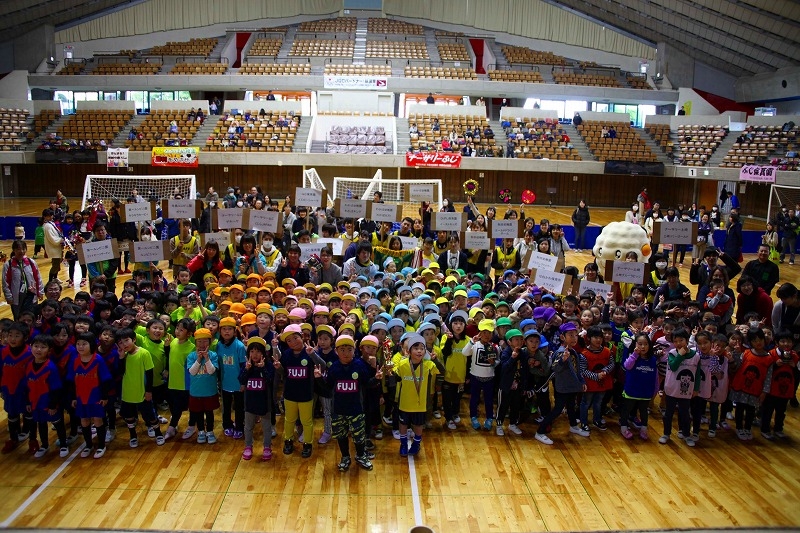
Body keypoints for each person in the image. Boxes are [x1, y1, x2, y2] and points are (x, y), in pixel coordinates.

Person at [315, 335, 379, 471]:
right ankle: (345, 457)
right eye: (342, 350)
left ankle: (361, 456)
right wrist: (319, 378)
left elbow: (367, 384)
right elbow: (328, 387)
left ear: (354, 350)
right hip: (338, 410)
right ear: (336, 351)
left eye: (349, 349)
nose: (346, 353)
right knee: (341, 435)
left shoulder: (359, 366)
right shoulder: (334, 368)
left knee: (359, 436)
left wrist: (377, 378)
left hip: (356, 409)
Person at [533, 322, 589, 445]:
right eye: (570, 335)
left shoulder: (573, 351)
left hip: (572, 387)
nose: (574, 338)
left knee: (571, 407)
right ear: (563, 337)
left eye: (575, 335)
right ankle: (540, 431)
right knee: (557, 410)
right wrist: (562, 360)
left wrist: (582, 381)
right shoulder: (560, 352)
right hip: (563, 387)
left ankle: (573, 426)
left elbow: (577, 370)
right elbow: (555, 368)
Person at [393, 333, 443, 456]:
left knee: (419, 425)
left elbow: (442, 371)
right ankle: (403, 444)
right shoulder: (402, 364)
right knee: (403, 424)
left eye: (422, 348)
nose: (419, 351)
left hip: (420, 404)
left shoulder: (428, 365)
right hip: (405, 402)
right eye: (416, 348)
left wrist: (435, 360)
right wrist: (389, 371)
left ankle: (416, 444)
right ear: (408, 351)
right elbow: (396, 378)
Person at [272, 324, 316, 458]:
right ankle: (288, 441)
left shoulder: (309, 352)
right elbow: (283, 372)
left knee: (306, 421)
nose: (293, 342)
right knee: (289, 420)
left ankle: (308, 444)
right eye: (289, 340)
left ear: (302, 336)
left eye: (295, 338)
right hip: (289, 394)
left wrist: (313, 355)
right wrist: (279, 367)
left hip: (306, 394)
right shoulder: (286, 354)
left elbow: (323, 366)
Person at [115, 327, 164, 449]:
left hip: (142, 392)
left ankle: (158, 433)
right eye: (120, 342)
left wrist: (149, 391)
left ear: (134, 339)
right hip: (128, 392)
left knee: (150, 416)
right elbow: (120, 373)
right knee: (129, 416)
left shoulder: (144, 353)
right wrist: (121, 358)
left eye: (126, 340)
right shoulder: (123, 355)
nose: (124, 344)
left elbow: (149, 374)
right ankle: (133, 435)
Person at [658, 328, 699, 447]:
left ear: (687, 340)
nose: (678, 343)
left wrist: (696, 389)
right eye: (675, 341)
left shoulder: (696, 356)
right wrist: (680, 355)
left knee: (685, 414)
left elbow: (697, 374)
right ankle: (666, 434)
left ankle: (686, 434)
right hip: (671, 389)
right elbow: (673, 366)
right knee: (668, 413)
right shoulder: (672, 353)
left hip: (686, 391)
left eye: (681, 340)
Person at [239, 336, 275, 461]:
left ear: (263, 353)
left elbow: (270, 380)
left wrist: (263, 368)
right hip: (249, 402)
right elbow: (241, 380)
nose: (255, 354)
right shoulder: (246, 365)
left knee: (267, 427)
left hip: (265, 402)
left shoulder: (268, 365)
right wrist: (246, 369)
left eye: (258, 351)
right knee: (248, 426)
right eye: (252, 351)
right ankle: (248, 446)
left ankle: (267, 447)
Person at [619, 333, 659, 440]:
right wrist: (635, 355)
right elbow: (627, 366)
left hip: (645, 392)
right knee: (627, 409)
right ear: (635, 344)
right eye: (640, 344)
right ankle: (623, 427)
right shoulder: (633, 357)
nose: (643, 346)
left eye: (646, 344)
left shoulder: (653, 360)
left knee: (643, 411)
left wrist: (655, 390)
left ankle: (644, 429)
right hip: (631, 390)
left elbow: (655, 376)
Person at [187, 328, 220, 444]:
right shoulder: (191, 356)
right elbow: (192, 372)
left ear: (209, 342)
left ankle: (210, 431)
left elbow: (211, 371)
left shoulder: (213, 355)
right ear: (195, 343)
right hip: (196, 392)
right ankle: (201, 431)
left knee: (209, 413)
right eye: (199, 341)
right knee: (198, 413)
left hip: (210, 391)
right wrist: (198, 359)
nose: (202, 344)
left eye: (205, 341)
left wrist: (206, 358)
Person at [2, 240, 43, 321]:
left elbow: (38, 277)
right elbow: (5, 282)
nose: (21, 251)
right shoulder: (8, 265)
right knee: (18, 317)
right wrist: (8, 296)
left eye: (23, 249)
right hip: (16, 297)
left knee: (32, 316)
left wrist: (40, 292)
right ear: (14, 250)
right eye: (18, 249)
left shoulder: (31, 262)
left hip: (31, 294)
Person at [42, 208, 63, 283]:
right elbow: (52, 238)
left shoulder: (51, 223)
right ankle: (50, 281)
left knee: (57, 264)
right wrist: (60, 240)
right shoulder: (47, 226)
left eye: (51, 215)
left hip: (56, 247)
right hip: (53, 248)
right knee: (55, 265)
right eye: (48, 216)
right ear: (44, 217)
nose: (51, 217)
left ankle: (55, 277)